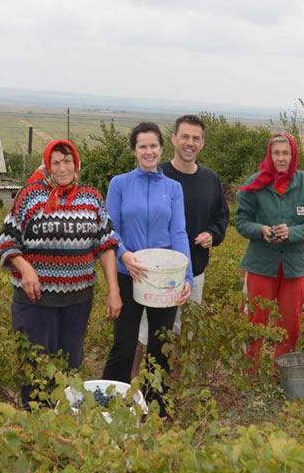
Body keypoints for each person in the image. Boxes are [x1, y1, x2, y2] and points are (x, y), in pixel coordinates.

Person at [0, 139, 121, 376]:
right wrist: (26, 268)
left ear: (76, 164)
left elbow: (106, 244)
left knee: (70, 366)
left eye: (67, 161)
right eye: (56, 162)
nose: (62, 168)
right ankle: (34, 413)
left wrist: (114, 291)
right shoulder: (29, 195)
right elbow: (7, 241)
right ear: (47, 166)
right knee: (35, 367)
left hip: (77, 302)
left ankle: (66, 411)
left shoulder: (91, 198)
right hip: (35, 301)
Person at [101, 122, 192, 416]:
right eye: (143, 146)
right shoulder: (120, 184)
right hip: (130, 275)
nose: (149, 151)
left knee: (159, 345)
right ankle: (108, 404)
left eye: (153, 146)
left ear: (162, 148)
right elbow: (109, 228)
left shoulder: (173, 188)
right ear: (134, 150)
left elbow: (179, 232)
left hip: (163, 278)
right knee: (125, 346)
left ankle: (155, 408)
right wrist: (124, 255)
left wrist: (185, 276)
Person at [134, 115, 229, 371]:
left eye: (196, 138)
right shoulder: (156, 174)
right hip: (155, 272)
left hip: (194, 271)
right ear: (174, 139)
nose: (190, 143)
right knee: (145, 334)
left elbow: (221, 217)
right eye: (184, 137)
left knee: (185, 332)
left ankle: (173, 387)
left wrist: (213, 233)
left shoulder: (210, 180)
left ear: (202, 144)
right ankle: (134, 388)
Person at [235, 133, 304, 370]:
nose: (281, 158)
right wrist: (260, 229)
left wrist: (291, 232)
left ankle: (280, 373)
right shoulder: (255, 184)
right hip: (260, 263)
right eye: (276, 153)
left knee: (290, 324)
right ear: (269, 156)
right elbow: (241, 221)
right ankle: (249, 372)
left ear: (293, 156)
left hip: (294, 266)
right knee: (254, 320)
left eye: (286, 153)